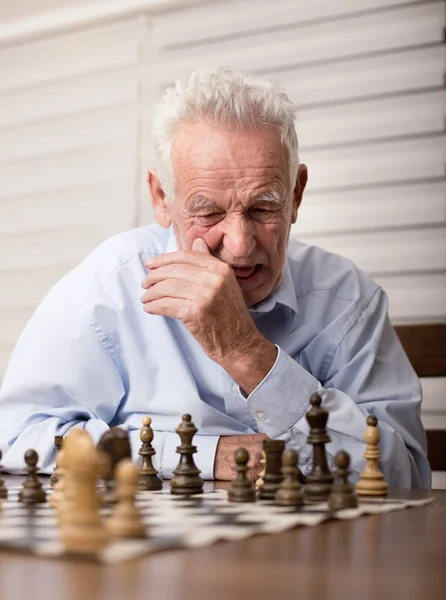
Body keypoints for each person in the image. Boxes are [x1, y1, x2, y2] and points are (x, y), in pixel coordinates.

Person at [0, 67, 430, 488]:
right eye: (208, 212)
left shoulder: (348, 300)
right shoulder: (107, 288)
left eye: (263, 208)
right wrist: (206, 454)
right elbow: (19, 437)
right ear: (162, 198)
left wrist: (247, 353)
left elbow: (404, 475)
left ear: (296, 195)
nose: (240, 245)